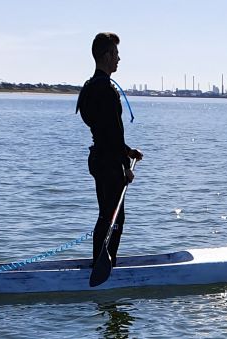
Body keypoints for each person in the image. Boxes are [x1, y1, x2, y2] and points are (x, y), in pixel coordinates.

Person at [76, 32, 143, 268]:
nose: (119, 59)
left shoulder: (89, 87)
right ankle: (104, 266)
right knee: (114, 217)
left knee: (106, 214)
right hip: (108, 162)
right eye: (115, 53)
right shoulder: (106, 89)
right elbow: (113, 131)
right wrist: (125, 167)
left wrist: (127, 152)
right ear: (105, 56)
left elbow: (104, 132)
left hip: (98, 158)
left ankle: (102, 262)